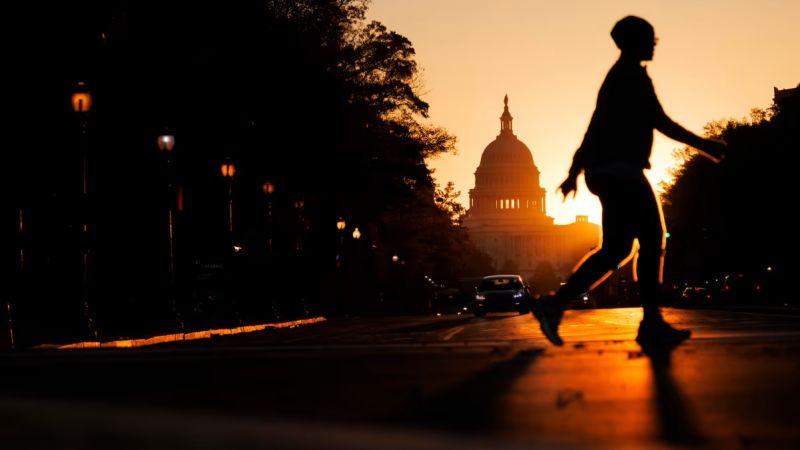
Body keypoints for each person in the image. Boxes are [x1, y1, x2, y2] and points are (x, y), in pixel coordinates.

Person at [533, 16, 726, 347]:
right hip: (620, 170)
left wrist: (574, 171)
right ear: (632, 41)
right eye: (649, 38)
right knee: (651, 240)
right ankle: (649, 322)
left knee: (616, 249)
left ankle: (556, 304)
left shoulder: (619, 77)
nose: (654, 43)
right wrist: (705, 146)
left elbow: (593, 127)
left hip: (605, 171)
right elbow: (660, 121)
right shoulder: (630, 76)